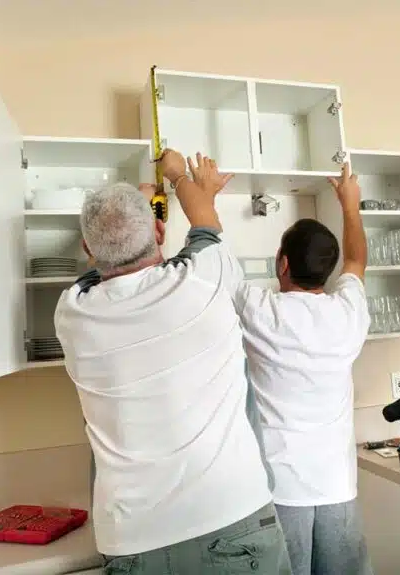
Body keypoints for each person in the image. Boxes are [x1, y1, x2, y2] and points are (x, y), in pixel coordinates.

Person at [54, 149, 292, 575]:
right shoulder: (204, 279)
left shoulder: (73, 314)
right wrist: (178, 174)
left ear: (88, 249)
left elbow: (101, 269)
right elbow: (205, 222)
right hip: (232, 514)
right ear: (160, 231)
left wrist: (138, 203)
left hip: (134, 538)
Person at [232, 163, 373, 575]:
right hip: (338, 489)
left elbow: (215, 268)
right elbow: (357, 259)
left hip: (279, 489)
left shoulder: (261, 310)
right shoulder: (348, 311)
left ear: (282, 263)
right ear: (328, 272)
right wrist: (350, 205)